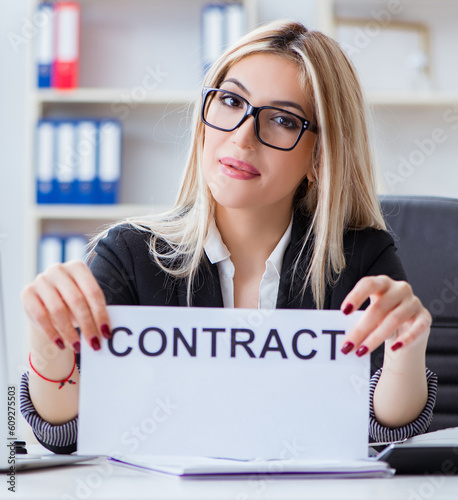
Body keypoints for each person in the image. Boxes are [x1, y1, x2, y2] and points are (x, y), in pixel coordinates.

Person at [20, 20, 437, 454]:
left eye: (281, 119)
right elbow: (67, 433)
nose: (241, 137)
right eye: (231, 101)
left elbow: (384, 431)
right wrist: (47, 348)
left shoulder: (360, 258)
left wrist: (405, 351)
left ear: (321, 155)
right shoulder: (128, 255)